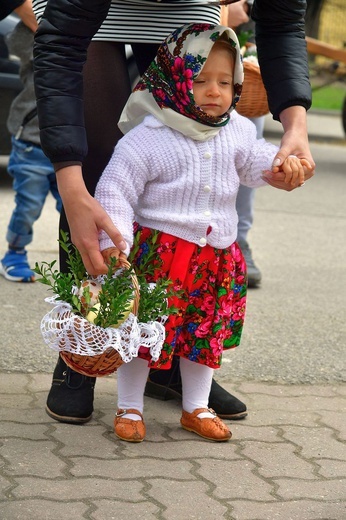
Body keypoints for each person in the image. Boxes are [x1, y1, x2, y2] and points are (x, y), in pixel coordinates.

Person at [32, 0, 315, 425]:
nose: (220, 89)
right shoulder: (144, 140)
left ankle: (172, 363)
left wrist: (295, 128)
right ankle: (87, 348)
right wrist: (72, 186)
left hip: (181, 11)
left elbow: (282, 21)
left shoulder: (233, 127)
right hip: (89, 15)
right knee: (97, 167)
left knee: (202, 76)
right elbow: (62, 43)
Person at [0, 9, 62, 283]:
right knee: (28, 206)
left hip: (69, 145)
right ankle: (14, 253)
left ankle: (75, 262)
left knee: (73, 209)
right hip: (31, 143)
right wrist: (44, 25)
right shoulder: (37, 29)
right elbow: (14, 42)